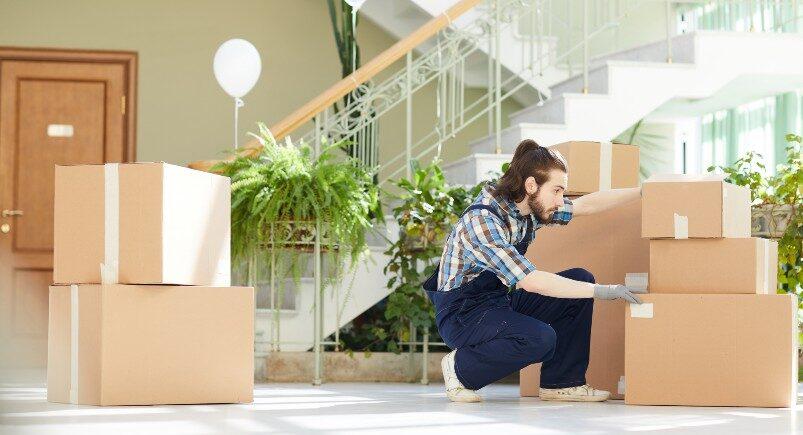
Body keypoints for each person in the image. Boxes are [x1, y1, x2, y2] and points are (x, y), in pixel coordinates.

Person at [423, 138, 645, 403]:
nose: (561, 200)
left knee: (580, 280)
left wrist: (642, 191)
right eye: (557, 191)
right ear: (531, 185)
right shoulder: (483, 221)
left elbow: (585, 206)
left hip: (496, 303)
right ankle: (461, 369)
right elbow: (531, 281)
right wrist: (605, 291)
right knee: (541, 338)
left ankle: (561, 382)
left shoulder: (526, 211)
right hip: (463, 315)